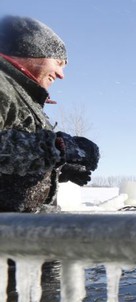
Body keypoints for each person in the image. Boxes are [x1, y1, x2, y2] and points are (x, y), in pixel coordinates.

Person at [0, 15, 100, 213]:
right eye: (59, 63)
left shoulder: (21, 93)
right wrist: (56, 148)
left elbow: (11, 165)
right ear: (33, 50)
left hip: (22, 228)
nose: (61, 75)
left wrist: (57, 169)